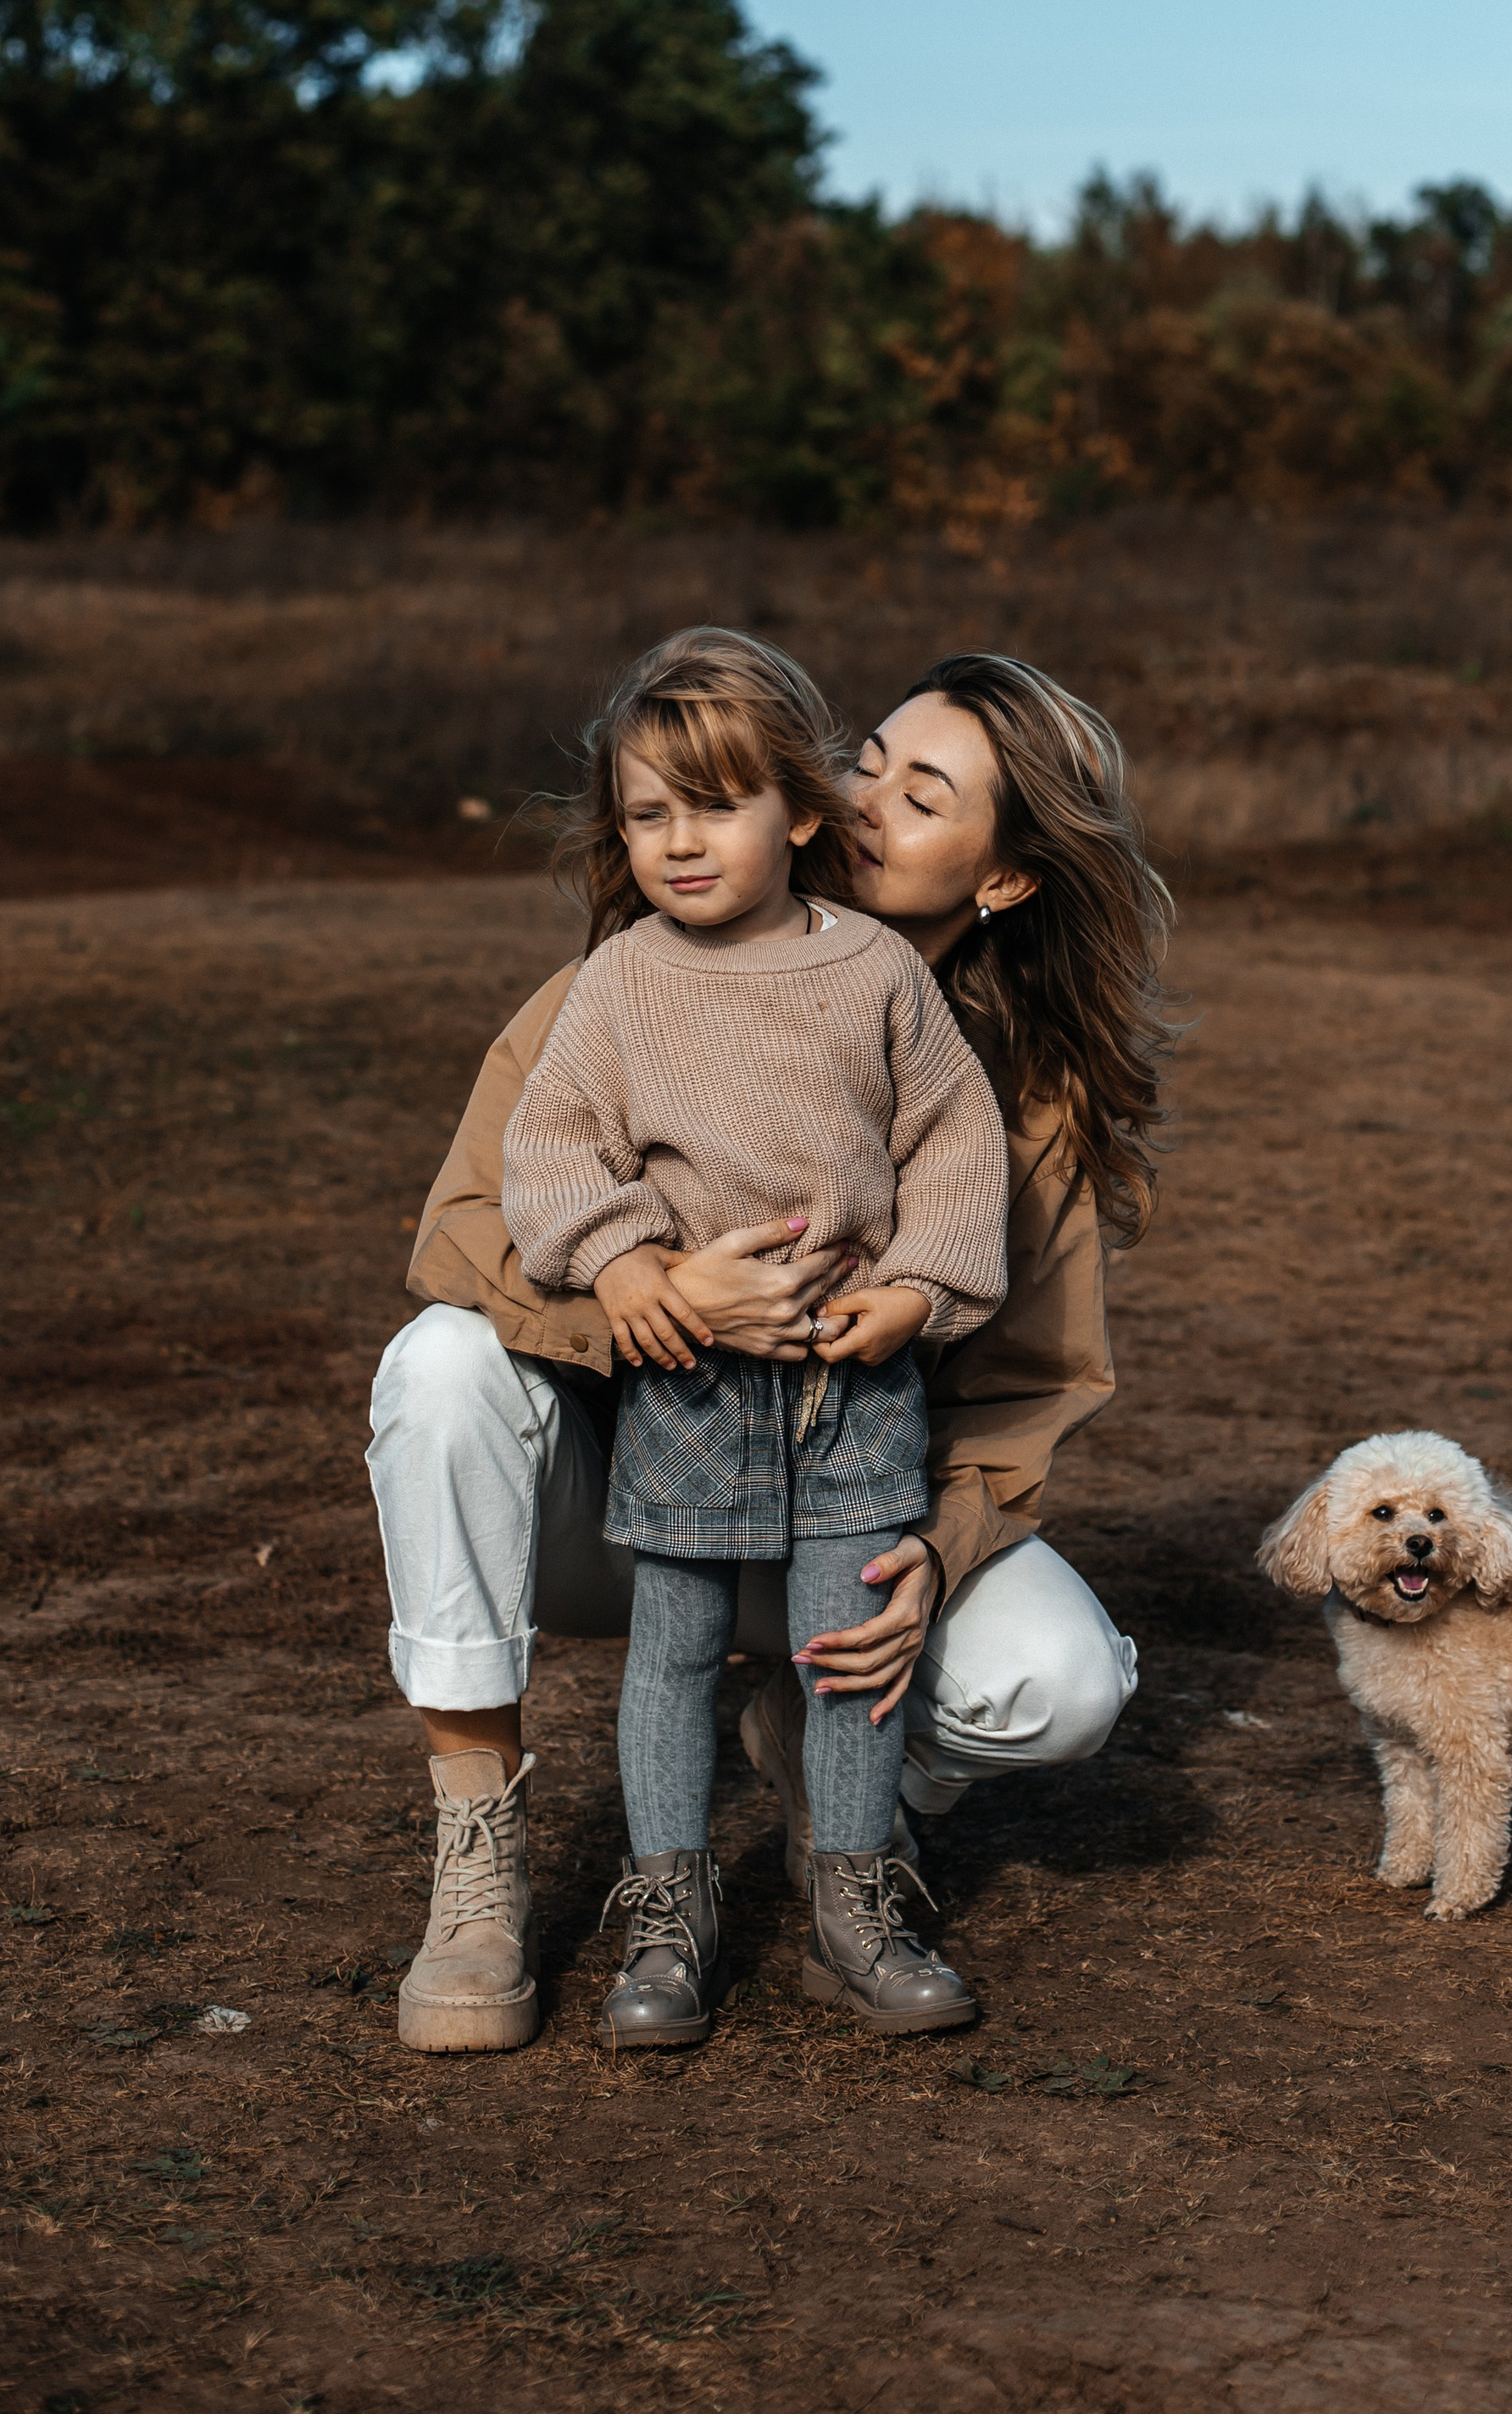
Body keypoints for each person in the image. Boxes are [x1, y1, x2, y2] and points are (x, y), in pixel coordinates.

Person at [367, 637, 1173, 2056]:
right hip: (640, 1486)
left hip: (851, 1487)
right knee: (436, 1367)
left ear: (1003, 876)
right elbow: (466, 1224)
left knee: (1059, 1681)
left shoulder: (1008, 1099)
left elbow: (1031, 1385)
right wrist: (653, 1289)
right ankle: (482, 1854)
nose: (866, 802)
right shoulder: (629, 984)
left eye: (922, 796)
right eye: (867, 758)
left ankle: (848, 1825)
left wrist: (944, 1543)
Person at [501, 631, 1009, 2045]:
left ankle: (854, 1900)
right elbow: (548, 1152)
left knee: (848, 1649)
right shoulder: (618, 986)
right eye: (646, 813)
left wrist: (919, 1288)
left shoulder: (878, 978)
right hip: (688, 1385)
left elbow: (958, 1143)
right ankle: (670, 1914)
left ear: (799, 808)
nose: (676, 842)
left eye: (713, 806)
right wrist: (625, 1265)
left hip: (857, 1381)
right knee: (674, 1645)